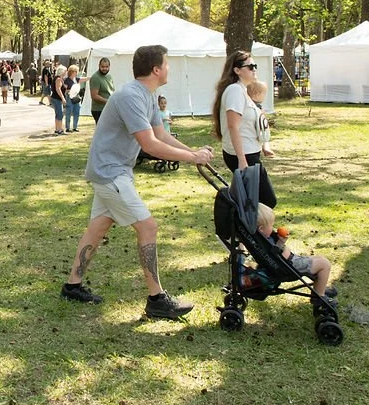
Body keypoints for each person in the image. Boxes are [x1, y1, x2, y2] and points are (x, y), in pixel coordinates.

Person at [61, 45, 214, 319]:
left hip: (113, 171)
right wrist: (192, 158)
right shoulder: (131, 96)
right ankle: (157, 299)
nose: (169, 69)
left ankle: (72, 286)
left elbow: (161, 135)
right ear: (156, 69)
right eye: (166, 64)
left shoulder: (148, 95)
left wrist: (193, 153)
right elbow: (150, 145)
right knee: (148, 226)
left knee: (98, 228)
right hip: (110, 173)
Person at [211, 50, 277, 208]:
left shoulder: (242, 90)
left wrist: (264, 145)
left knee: (254, 202)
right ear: (237, 70)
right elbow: (233, 126)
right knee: (266, 200)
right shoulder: (235, 90)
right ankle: (245, 223)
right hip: (243, 155)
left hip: (249, 152)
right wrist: (242, 160)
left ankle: (249, 224)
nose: (254, 69)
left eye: (255, 66)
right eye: (250, 67)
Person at [256, 203, 333, 303]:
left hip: (291, 261)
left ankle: (319, 288)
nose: (273, 227)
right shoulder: (262, 242)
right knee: (324, 264)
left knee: (319, 259)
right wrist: (282, 246)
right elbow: (276, 257)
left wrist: (281, 242)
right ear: (261, 229)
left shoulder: (262, 239)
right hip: (289, 266)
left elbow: (274, 252)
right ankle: (320, 298)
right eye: (271, 225)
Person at [244, 80, 273, 157]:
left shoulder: (246, 104)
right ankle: (266, 147)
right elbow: (262, 119)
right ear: (257, 95)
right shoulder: (257, 107)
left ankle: (266, 146)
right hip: (257, 128)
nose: (264, 97)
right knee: (264, 133)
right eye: (264, 94)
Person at [88, 57, 114, 123]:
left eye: (106, 67)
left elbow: (111, 91)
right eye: (102, 66)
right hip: (99, 110)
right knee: (103, 129)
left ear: (109, 66)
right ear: (99, 66)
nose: (104, 68)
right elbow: (94, 96)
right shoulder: (95, 77)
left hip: (108, 108)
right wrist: (107, 101)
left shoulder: (109, 76)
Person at [64, 64, 84, 133]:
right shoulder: (67, 80)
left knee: (77, 112)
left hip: (76, 97)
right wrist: (70, 90)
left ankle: (75, 127)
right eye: (75, 71)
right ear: (72, 72)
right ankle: (67, 127)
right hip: (69, 97)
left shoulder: (76, 79)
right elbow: (64, 90)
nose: (76, 73)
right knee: (68, 112)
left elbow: (84, 79)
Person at [50, 64, 67, 135]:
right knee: (60, 114)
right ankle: (59, 129)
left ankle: (57, 129)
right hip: (57, 99)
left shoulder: (60, 79)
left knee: (58, 114)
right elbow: (58, 89)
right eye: (65, 71)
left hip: (56, 98)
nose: (66, 72)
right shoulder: (58, 79)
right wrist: (63, 98)